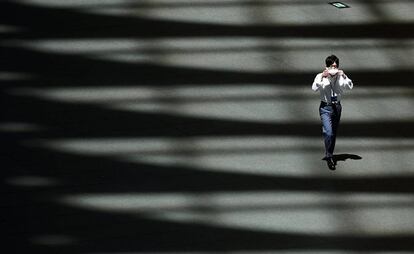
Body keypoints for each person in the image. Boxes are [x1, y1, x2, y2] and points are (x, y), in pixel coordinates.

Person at [312, 55, 353, 170]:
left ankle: (329, 155)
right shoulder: (320, 76)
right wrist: (322, 78)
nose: (334, 67)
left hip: (337, 107)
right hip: (325, 107)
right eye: (331, 65)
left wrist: (344, 76)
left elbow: (349, 86)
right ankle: (329, 155)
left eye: (335, 65)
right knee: (329, 132)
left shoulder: (340, 77)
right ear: (327, 66)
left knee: (333, 133)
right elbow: (314, 88)